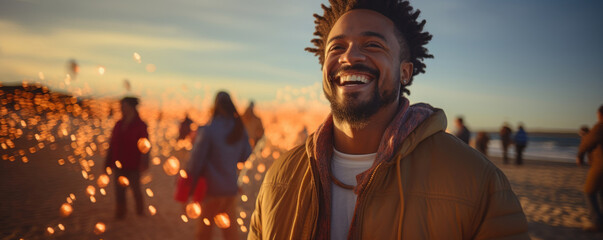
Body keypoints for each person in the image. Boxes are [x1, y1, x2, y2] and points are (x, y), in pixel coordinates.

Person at [248, 1, 528, 239]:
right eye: (336, 48)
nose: (350, 56)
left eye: (372, 44)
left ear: (405, 72)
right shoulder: (280, 176)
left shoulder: (476, 179)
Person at [187, 91, 252, 240]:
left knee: (204, 233)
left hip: (211, 190)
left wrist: (190, 185)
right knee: (230, 234)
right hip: (230, 189)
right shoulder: (240, 130)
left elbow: (196, 161)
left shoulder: (208, 130)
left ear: (215, 106)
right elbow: (246, 156)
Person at [105, 97, 149, 219]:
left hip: (134, 164)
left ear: (131, 107)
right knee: (119, 191)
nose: (121, 109)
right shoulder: (119, 124)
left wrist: (144, 163)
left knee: (136, 190)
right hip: (119, 163)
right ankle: (120, 213)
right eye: (121, 106)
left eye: (123, 106)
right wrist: (107, 162)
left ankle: (140, 212)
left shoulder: (141, 125)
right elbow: (112, 144)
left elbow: (145, 146)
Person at [577, 105, 603, 231]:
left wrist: (580, 155)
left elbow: (587, 143)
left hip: (600, 165)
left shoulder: (600, 127)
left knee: (589, 191)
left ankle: (597, 222)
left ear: (600, 114)